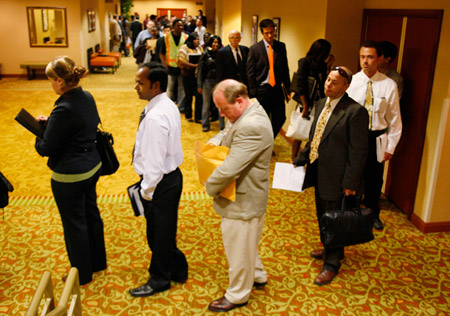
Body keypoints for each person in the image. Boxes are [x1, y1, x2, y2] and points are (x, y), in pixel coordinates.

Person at [293, 66, 369, 286]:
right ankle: (330, 246)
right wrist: (300, 158)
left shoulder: (355, 112)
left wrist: (350, 183)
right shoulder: (320, 103)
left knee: (334, 218)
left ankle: (332, 263)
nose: (328, 84)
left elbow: (358, 152)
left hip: (339, 175)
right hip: (319, 170)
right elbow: (315, 137)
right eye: (328, 80)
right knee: (324, 214)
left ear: (346, 87)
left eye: (334, 83)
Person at [35, 56, 106, 285]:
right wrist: (52, 125)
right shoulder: (86, 96)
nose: (51, 85)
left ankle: (81, 274)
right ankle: (98, 262)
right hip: (92, 165)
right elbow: (80, 125)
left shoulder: (63, 108)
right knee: (91, 214)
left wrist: (39, 133)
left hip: (71, 175)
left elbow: (46, 148)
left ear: (60, 81)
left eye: (51, 81)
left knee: (74, 224)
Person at [206, 80, 273, 312]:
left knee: (238, 249)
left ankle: (237, 295)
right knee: (247, 242)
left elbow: (229, 169)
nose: (223, 114)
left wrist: (208, 186)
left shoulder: (251, 125)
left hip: (243, 198)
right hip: (248, 194)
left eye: (224, 109)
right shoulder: (246, 112)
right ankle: (258, 275)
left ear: (240, 100)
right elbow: (226, 134)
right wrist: (212, 144)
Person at [129, 63, 188, 297]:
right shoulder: (167, 104)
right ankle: (178, 268)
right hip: (172, 177)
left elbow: (154, 162)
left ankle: (159, 278)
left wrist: (146, 192)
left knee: (158, 234)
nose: (135, 87)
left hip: (160, 182)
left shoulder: (155, 117)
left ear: (155, 85)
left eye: (140, 83)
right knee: (165, 230)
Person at [346, 41, 402, 231]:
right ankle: (350, 213)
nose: (366, 61)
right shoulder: (351, 82)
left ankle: (371, 215)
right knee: (352, 176)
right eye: (362, 57)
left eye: (370, 57)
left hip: (376, 137)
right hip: (354, 137)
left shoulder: (389, 85)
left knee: (374, 179)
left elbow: (394, 119)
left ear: (378, 59)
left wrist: (390, 147)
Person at [247, 19, 291, 140]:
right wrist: (253, 93)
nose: (270, 35)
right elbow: (250, 72)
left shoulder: (281, 47)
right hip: (262, 90)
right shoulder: (255, 49)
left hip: (277, 90)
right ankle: (263, 145)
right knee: (262, 120)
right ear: (262, 32)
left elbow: (285, 68)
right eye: (267, 33)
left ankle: (268, 140)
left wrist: (288, 89)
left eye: (272, 32)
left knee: (280, 118)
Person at [291, 39, 331, 160]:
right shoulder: (304, 62)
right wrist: (305, 106)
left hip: (319, 101)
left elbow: (323, 82)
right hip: (306, 102)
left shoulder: (323, 65)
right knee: (299, 130)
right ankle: (294, 159)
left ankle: (308, 158)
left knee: (314, 131)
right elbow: (301, 84)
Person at [159, 19, 188, 110]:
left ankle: (180, 107)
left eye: (182, 26)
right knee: (170, 88)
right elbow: (161, 53)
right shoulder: (166, 38)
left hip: (182, 67)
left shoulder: (186, 37)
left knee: (182, 88)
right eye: (178, 26)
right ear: (173, 27)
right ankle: (168, 107)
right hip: (170, 67)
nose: (181, 27)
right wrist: (164, 64)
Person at [197, 35, 224, 132]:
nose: (215, 44)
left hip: (218, 82)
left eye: (217, 42)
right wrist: (199, 85)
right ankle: (205, 124)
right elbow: (200, 70)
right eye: (214, 42)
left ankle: (222, 127)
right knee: (206, 105)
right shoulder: (205, 53)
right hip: (207, 82)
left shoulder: (222, 54)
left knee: (220, 105)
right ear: (210, 43)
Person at [177, 33, 203, 123]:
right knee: (188, 96)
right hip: (187, 75)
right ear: (191, 40)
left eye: (198, 39)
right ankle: (188, 115)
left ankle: (198, 117)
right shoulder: (184, 47)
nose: (197, 41)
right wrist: (195, 66)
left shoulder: (199, 48)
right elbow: (181, 61)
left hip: (197, 76)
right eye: (195, 39)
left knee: (199, 96)